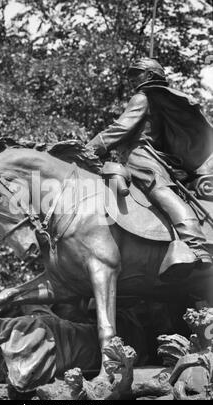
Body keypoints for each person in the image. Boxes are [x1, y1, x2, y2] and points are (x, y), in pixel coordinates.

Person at [88, 57, 213, 272]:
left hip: (141, 158)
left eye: (137, 73)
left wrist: (89, 148)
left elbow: (120, 129)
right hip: (129, 158)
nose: (133, 78)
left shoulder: (142, 98)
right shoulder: (152, 99)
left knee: (160, 192)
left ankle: (196, 244)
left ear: (150, 76)